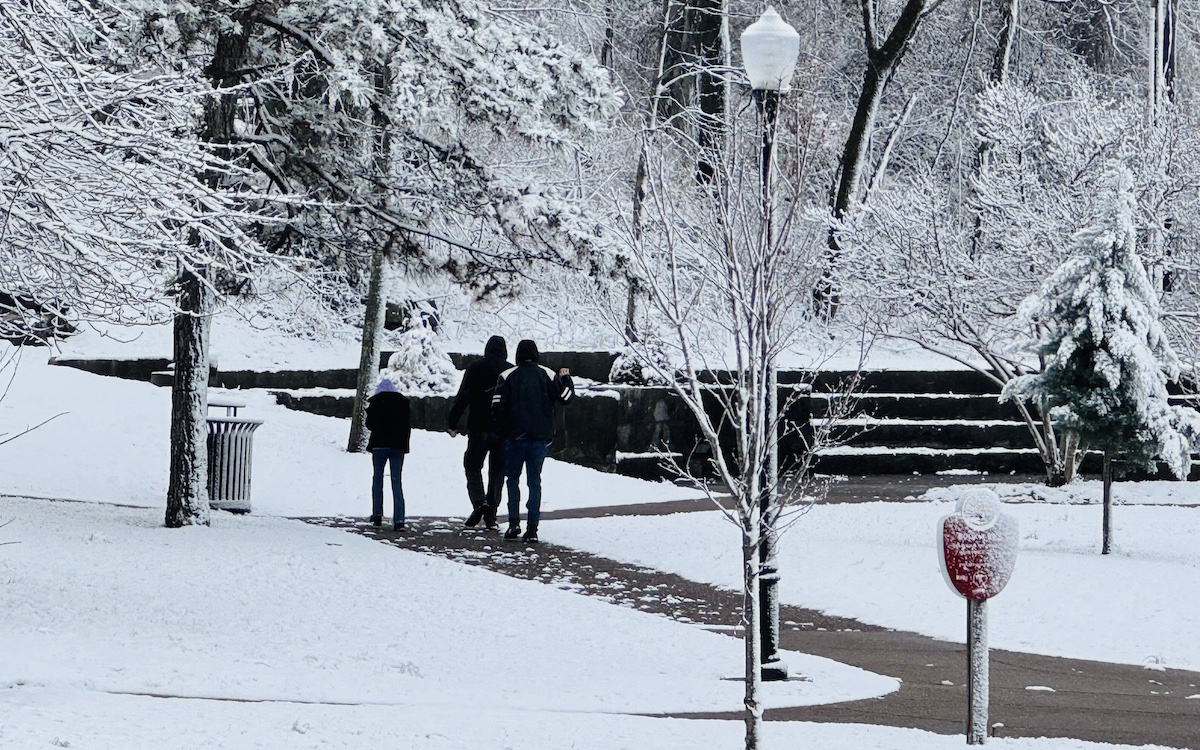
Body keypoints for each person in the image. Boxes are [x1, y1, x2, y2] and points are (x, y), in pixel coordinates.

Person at [490, 339, 574, 543]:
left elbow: (496, 407)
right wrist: (567, 379)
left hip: (514, 438)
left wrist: (505, 428)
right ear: (536, 354)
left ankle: (513, 523)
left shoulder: (507, 376)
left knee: (512, 481)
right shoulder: (547, 374)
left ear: (517, 354)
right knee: (534, 482)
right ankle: (533, 528)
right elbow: (566, 397)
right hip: (539, 438)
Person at [447, 335, 512, 529]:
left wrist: (453, 421)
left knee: (473, 466)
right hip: (502, 428)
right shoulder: (510, 371)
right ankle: (491, 512)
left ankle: (479, 502)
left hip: (478, 427)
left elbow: (463, 396)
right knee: (497, 471)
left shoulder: (475, 368)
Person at [366, 376, 411, 531]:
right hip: (398, 446)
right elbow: (407, 426)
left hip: (379, 445)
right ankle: (399, 519)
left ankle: (377, 514)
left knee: (377, 477)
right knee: (396, 481)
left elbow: (369, 425)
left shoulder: (376, 402)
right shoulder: (403, 403)